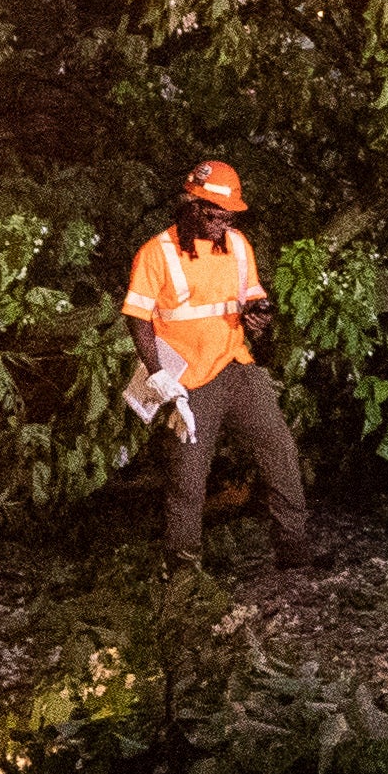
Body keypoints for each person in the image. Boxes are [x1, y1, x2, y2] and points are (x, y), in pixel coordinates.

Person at [125, 159, 316, 568]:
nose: (221, 225)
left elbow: (251, 299)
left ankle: (294, 548)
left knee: (279, 447)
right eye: (213, 215)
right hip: (187, 382)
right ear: (190, 206)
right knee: (188, 474)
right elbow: (137, 319)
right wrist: (159, 377)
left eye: (227, 217)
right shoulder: (156, 253)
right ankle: (182, 566)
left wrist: (258, 318)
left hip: (236, 364)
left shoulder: (238, 245)